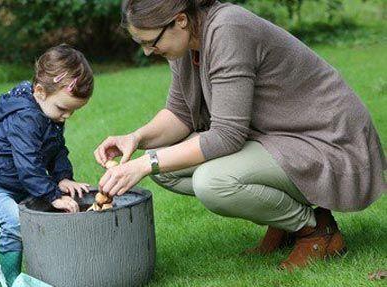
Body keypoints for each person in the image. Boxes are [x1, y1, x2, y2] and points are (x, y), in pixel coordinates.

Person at [95, 0, 386, 270]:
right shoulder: (185, 45)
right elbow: (180, 114)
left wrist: (146, 163)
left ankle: (316, 230)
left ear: (180, 20)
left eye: (150, 42)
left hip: (328, 141)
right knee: (164, 169)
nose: (147, 52)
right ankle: (285, 221)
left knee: (213, 182)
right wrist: (136, 138)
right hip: (279, 137)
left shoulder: (228, 29)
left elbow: (226, 136)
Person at [0, 44, 93, 285]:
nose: (66, 117)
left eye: (72, 112)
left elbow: (56, 148)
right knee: (15, 222)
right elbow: (28, 162)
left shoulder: (48, 112)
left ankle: (40, 268)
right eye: (63, 109)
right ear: (40, 91)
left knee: (37, 218)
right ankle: (9, 279)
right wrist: (52, 194)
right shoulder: (26, 117)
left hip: (12, 179)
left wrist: (63, 177)